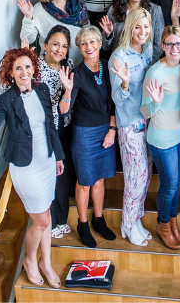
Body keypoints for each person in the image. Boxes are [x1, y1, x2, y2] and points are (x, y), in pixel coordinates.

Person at [0, 46, 65, 289]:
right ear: (10, 73)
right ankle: (29, 260)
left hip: (46, 162)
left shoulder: (43, 90)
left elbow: (51, 128)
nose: (24, 72)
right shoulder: (6, 100)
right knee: (41, 221)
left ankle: (46, 263)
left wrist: (58, 156)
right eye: (18, 68)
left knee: (46, 215)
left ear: (34, 68)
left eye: (27, 66)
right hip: (26, 168)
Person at [63, 26, 118, 248]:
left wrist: (112, 130)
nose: (89, 47)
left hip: (107, 130)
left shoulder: (106, 66)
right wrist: (67, 91)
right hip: (84, 133)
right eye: (84, 43)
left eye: (93, 42)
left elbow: (115, 101)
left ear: (99, 43)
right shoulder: (76, 73)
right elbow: (64, 111)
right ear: (79, 47)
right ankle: (83, 224)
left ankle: (98, 220)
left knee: (100, 179)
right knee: (85, 181)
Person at [141, 26, 180, 249]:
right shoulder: (155, 72)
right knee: (169, 183)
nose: (174, 48)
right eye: (169, 44)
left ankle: (173, 224)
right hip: (161, 138)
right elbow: (144, 112)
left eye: (178, 44)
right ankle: (162, 225)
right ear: (162, 46)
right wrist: (156, 101)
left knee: (177, 183)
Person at [109, 8, 155, 247]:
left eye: (146, 27)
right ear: (129, 27)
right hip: (129, 125)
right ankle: (127, 223)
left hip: (147, 121)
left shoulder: (146, 51)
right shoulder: (119, 57)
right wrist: (125, 83)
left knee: (144, 177)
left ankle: (135, 219)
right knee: (135, 178)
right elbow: (117, 100)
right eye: (138, 27)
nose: (142, 32)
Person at [25, 26, 75, 239]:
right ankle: (51, 220)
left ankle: (62, 218)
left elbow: (65, 106)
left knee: (62, 175)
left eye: (64, 46)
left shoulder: (68, 65)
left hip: (64, 125)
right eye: (55, 44)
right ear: (45, 46)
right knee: (49, 175)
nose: (59, 50)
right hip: (45, 129)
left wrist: (67, 89)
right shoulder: (35, 68)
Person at [18, 0, 90, 64]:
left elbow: (87, 30)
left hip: (79, 63)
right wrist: (28, 16)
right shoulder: (39, 9)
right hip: (53, 67)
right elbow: (28, 39)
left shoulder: (78, 0)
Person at [101, 0, 165, 60]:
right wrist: (108, 35)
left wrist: (146, 65)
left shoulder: (155, 11)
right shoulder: (114, 10)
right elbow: (105, 46)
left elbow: (159, 45)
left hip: (146, 66)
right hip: (120, 64)